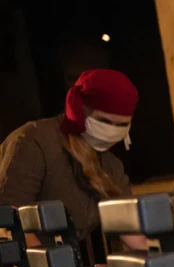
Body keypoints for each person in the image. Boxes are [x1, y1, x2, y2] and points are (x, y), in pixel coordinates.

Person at [0, 69, 145, 249]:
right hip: (19, 265)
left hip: (61, 263)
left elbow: (128, 227)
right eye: (105, 121)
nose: (112, 131)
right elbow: (10, 219)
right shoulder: (34, 142)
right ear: (82, 111)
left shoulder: (110, 165)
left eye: (122, 125)